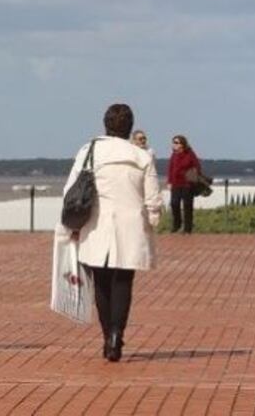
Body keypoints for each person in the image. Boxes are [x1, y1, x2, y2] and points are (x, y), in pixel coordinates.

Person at [62, 104, 161, 362]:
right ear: (129, 127)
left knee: (102, 284)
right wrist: (153, 221)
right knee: (123, 281)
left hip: (96, 225)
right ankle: (118, 334)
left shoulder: (89, 151)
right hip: (131, 225)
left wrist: (70, 227)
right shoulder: (141, 156)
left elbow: (71, 191)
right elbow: (153, 198)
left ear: (105, 124)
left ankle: (108, 336)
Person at [167, 134, 201, 234]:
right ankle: (177, 224)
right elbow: (170, 169)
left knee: (187, 206)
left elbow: (197, 166)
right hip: (176, 183)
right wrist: (169, 181)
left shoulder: (190, 154)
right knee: (174, 203)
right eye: (173, 142)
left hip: (187, 184)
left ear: (182, 144)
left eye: (176, 143)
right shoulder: (174, 155)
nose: (174, 145)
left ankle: (187, 228)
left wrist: (192, 175)